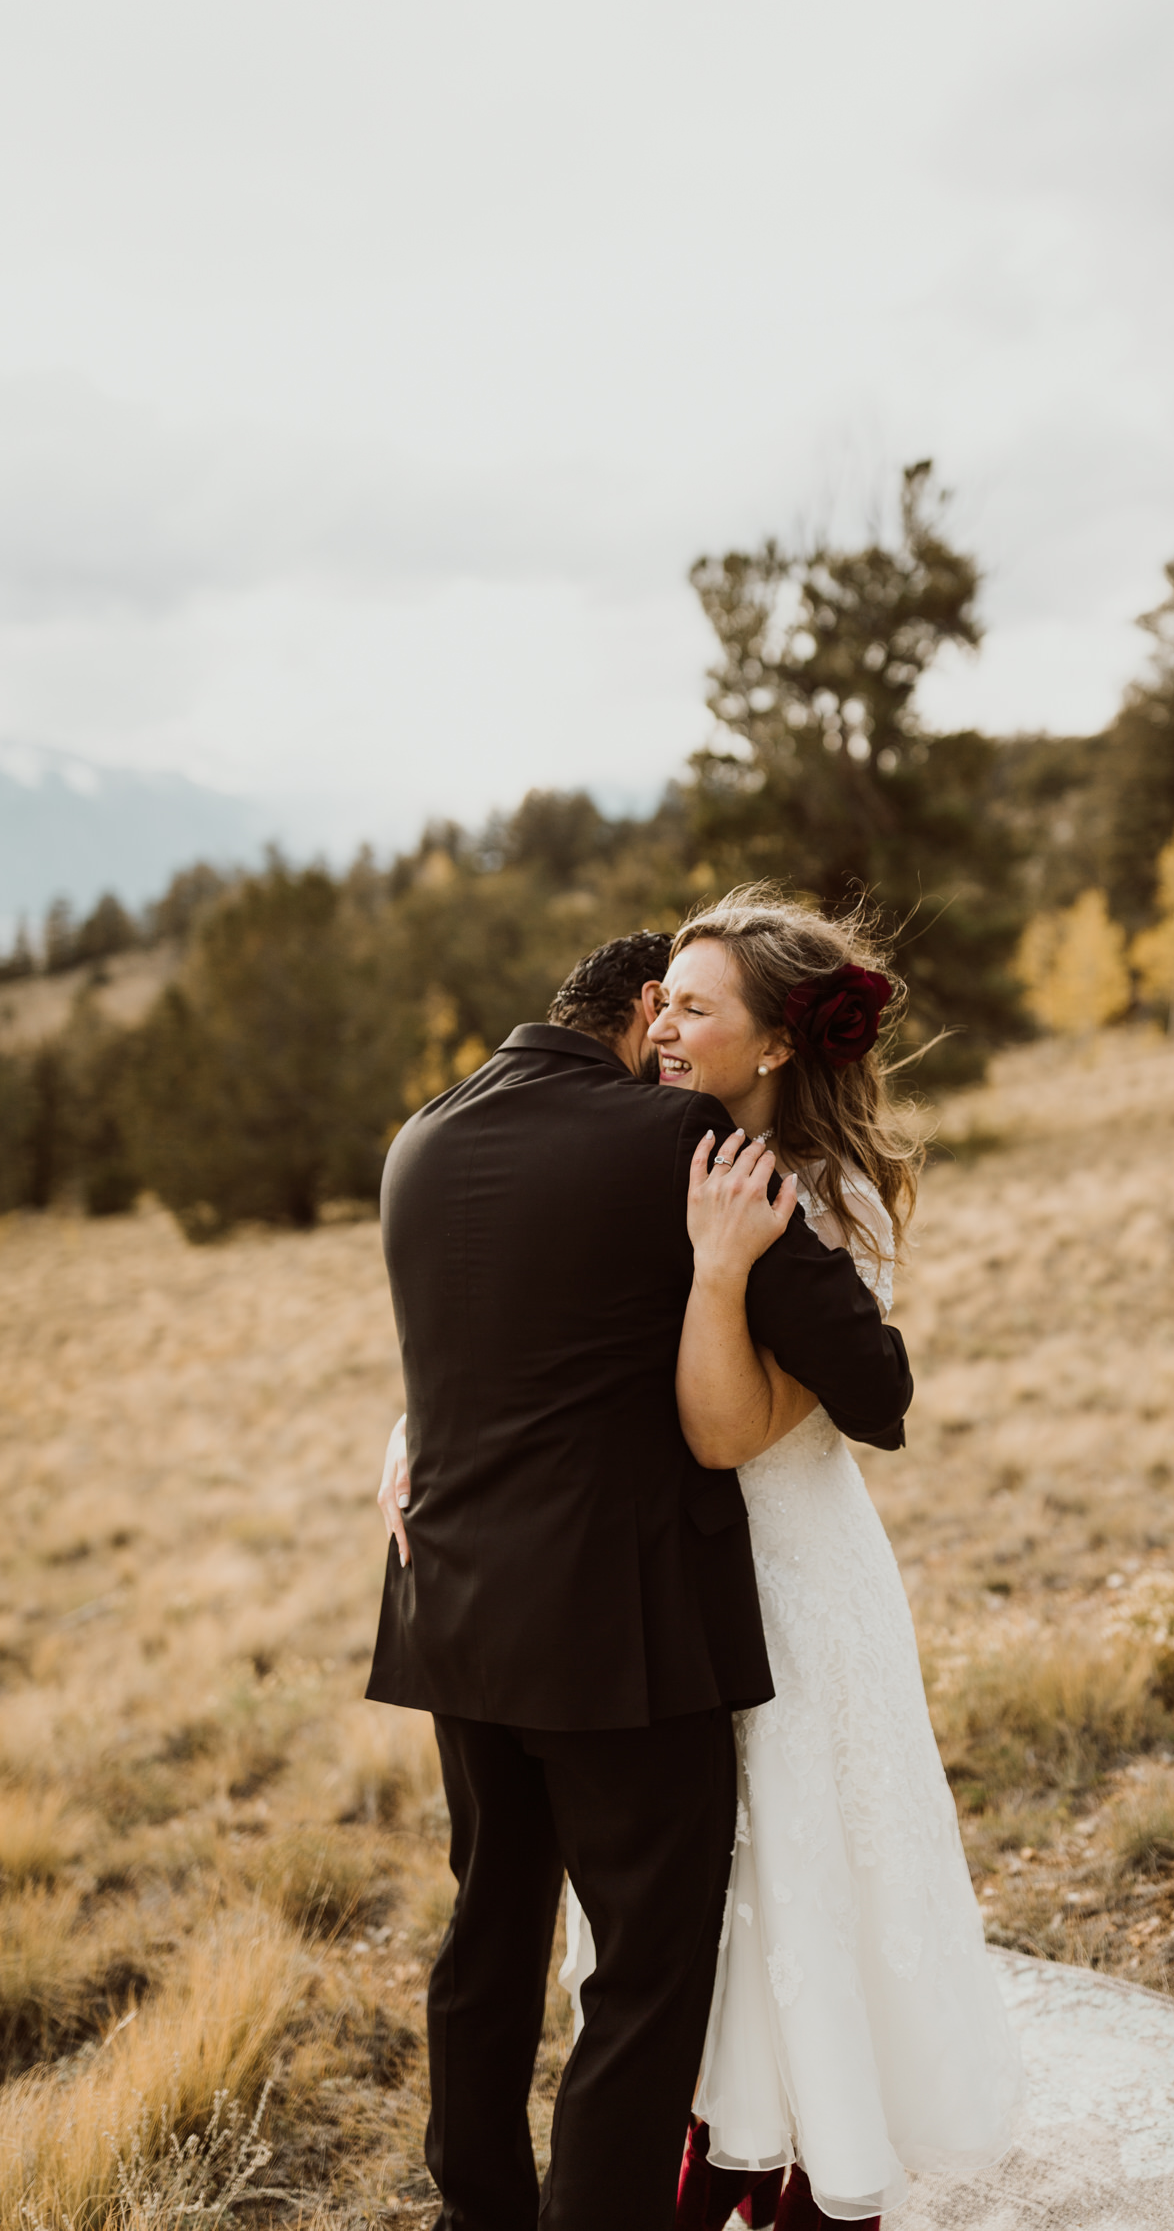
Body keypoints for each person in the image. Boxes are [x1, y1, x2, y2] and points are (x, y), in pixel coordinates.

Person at [367, 929, 914, 2231]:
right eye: (666, 1019)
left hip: (451, 1612)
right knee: (647, 1969)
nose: (669, 1051)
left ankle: (478, 2211)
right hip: (615, 1634)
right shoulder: (675, 1146)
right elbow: (877, 1388)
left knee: (490, 1931)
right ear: (636, 1017)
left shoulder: (422, 1138)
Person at [562, 890, 1024, 2228]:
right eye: (665, 1000)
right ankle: (713, 2134)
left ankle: (817, 2169)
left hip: (794, 1590)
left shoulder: (825, 1205)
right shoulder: (648, 1152)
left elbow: (728, 1431)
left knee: (803, 1877)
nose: (662, 1024)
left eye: (695, 1006)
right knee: (696, 1900)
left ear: (772, 1045)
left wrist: (718, 1272)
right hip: (665, 1590)